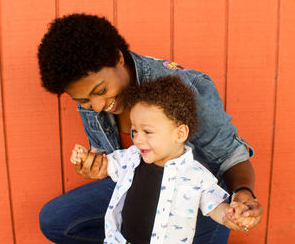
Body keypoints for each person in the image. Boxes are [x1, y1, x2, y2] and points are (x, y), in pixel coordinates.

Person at [38, 13, 263, 244]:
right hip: (138, 184)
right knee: (55, 219)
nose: (96, 106)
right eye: (83, 101)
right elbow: (110, 157)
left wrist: (243, 195)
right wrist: (96, 165)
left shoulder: (186, 87)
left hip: (190, 196)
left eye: (101, 90)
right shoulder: (92, 103)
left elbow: (232, 157)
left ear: (118, 58)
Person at [71, 76, 256, 244]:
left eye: (148, 132)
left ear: (180, 133)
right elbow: (104, 165)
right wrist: (85, 158)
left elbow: (217, 209)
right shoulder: (131, 158)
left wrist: (233, 216)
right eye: (135, 130)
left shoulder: (196, 175)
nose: (138, 139)